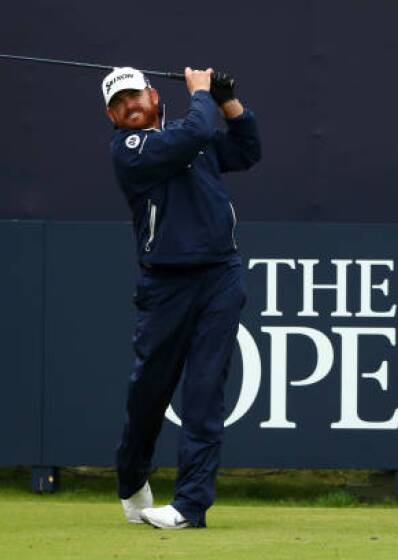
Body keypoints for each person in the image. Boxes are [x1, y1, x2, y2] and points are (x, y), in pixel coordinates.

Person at [102, 65, 261, 529]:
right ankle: (131, 479)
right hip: (165, 285)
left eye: (135, 96)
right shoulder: (129, 150)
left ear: (153, 96)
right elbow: (194, 131)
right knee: (148, 393)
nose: (130, 106)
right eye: (119, 104)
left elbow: (247, 150)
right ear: (112, 116)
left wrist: (228, 99)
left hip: (219, 276)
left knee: (205, 393)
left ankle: (191, 506)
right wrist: (201, 93)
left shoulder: (189, 135)